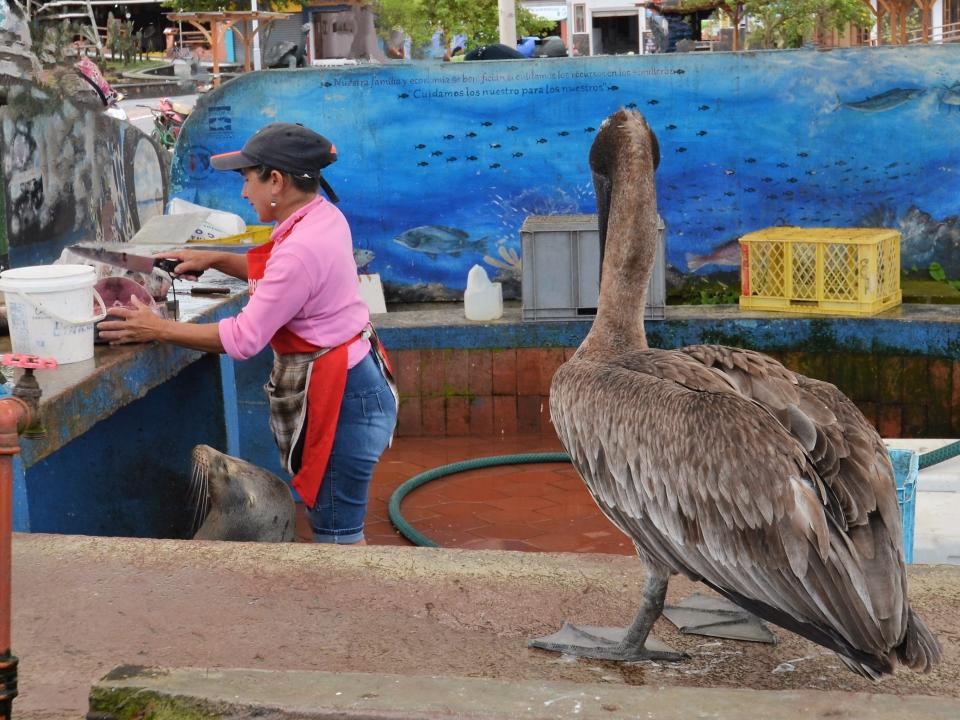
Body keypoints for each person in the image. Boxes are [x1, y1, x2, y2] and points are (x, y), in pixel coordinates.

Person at [99, 122, 398, 546]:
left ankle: (348, 605)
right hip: (357, 374)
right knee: (335, 522)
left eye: (246, 180)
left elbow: (244, 339)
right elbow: (284, 276)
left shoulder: (301, 248)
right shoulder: (319, 216)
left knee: (338, 536)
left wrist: (157, 328)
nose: (243, 193)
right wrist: (217, 258)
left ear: (276, 180)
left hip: (344, 393)